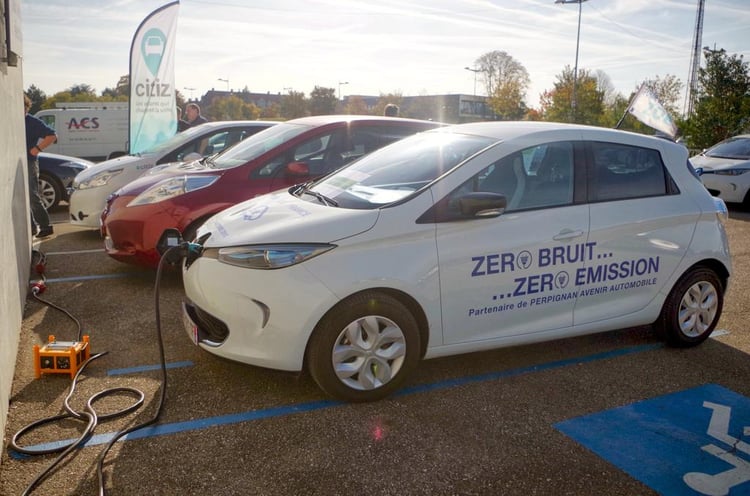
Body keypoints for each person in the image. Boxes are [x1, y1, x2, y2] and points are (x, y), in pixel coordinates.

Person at [24, 95, 57, 238]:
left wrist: (37, 149)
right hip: (18, 162)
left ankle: (45, 226)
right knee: (22, 196)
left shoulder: (32, 122)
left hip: (30, 161)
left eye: (23, 108)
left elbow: (52, 135)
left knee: (32, 195)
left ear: (26, 107)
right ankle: (31, 227)